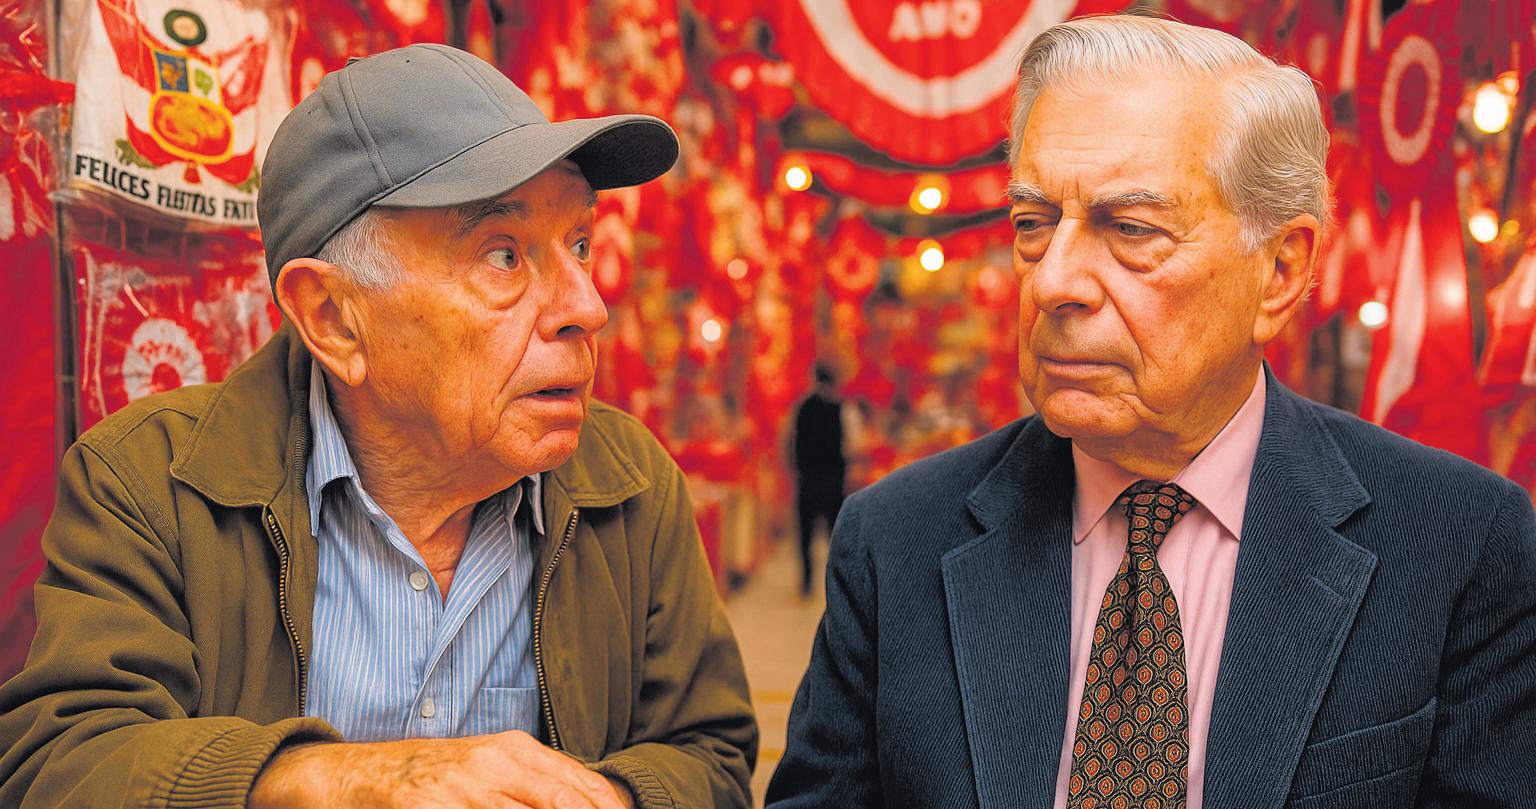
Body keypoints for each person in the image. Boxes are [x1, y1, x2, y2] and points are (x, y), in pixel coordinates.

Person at [767, 15, 1536, 809]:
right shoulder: (896, 541)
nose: (1052, 282)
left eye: (1130, 229)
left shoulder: (1457, 544)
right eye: (1033, 225)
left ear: (1279, 271)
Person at [0, 44, 756, 809]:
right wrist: (338, 778)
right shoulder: (148, 483)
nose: (587, 307)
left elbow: (712, 755)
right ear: (334, 318)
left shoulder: (630, 484)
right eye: (503, 255)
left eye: (580, 243)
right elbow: (63, 761)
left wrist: (599, 799)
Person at [789, 363, 847, 595]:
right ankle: (837, 583)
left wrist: (796, 469)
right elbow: (847, 444)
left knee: (806, 534)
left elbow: (794, 442)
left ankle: (807, 581)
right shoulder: (839, 408)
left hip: (809, 478)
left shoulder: (803, 407)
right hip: (833, 478)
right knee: (835, 535)